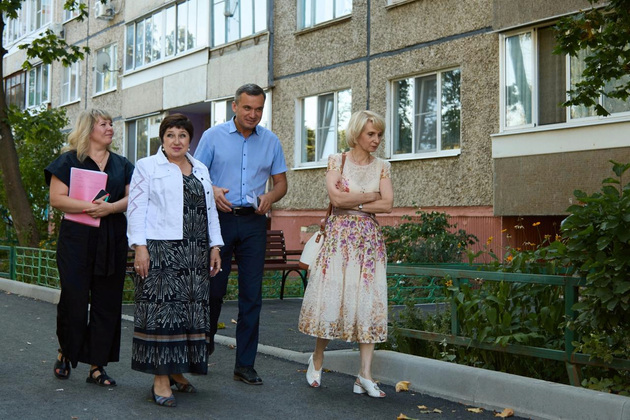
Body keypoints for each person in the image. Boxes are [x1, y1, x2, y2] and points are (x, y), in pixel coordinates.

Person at [126, 113, 223, 407]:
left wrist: (215, 245)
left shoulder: (200, 168)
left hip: (195, 253)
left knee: (188, 315)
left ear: (190, 139)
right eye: (170, 135)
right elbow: (136, 209)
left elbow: (210, 211)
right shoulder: (147, 166)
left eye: (182, 135)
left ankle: (177, 370)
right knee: (162, 314)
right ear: (162, 139)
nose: (176, 141)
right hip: (161, 250)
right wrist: (139, 246)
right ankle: (160, 379)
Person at [194, 83, 288, 385]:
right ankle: (203, 346)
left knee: (252, 295)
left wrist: (270, 196)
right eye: (247, 108)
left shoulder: (271, 141)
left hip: (253, 223)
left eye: (258, 109)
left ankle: (245, 364)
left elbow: (281, 184)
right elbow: (194, 176)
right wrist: (212, 190)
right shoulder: (212, 137)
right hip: (218, 220)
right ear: (234, 107)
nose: (253, 114)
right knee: (213, 290)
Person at [298, 110, 393, 398]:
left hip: (369, 242)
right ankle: (317, 358)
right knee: (332, 297)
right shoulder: (337, 161)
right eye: (370, 134)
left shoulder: (383, 166)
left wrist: (356, 202)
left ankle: (364, 375)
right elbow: (336, 198)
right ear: (356, 133)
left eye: (379, 134)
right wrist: (370, 197)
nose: (376, 139)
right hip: (339, 240)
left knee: (368, 301)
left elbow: (388, 204)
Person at [45, 109, 134, 387]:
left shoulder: (122, 164)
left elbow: (133, 198)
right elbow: (57, 199)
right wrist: (90, 207)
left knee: (107, 302)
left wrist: (111, 208)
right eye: (103, 124)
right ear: (88, 129)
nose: (110, 128)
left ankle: (97, 366)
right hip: (76, 240)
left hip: (112, 238)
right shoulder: (68, 161)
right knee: (74, 299)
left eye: (111, 124)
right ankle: (66, 351)